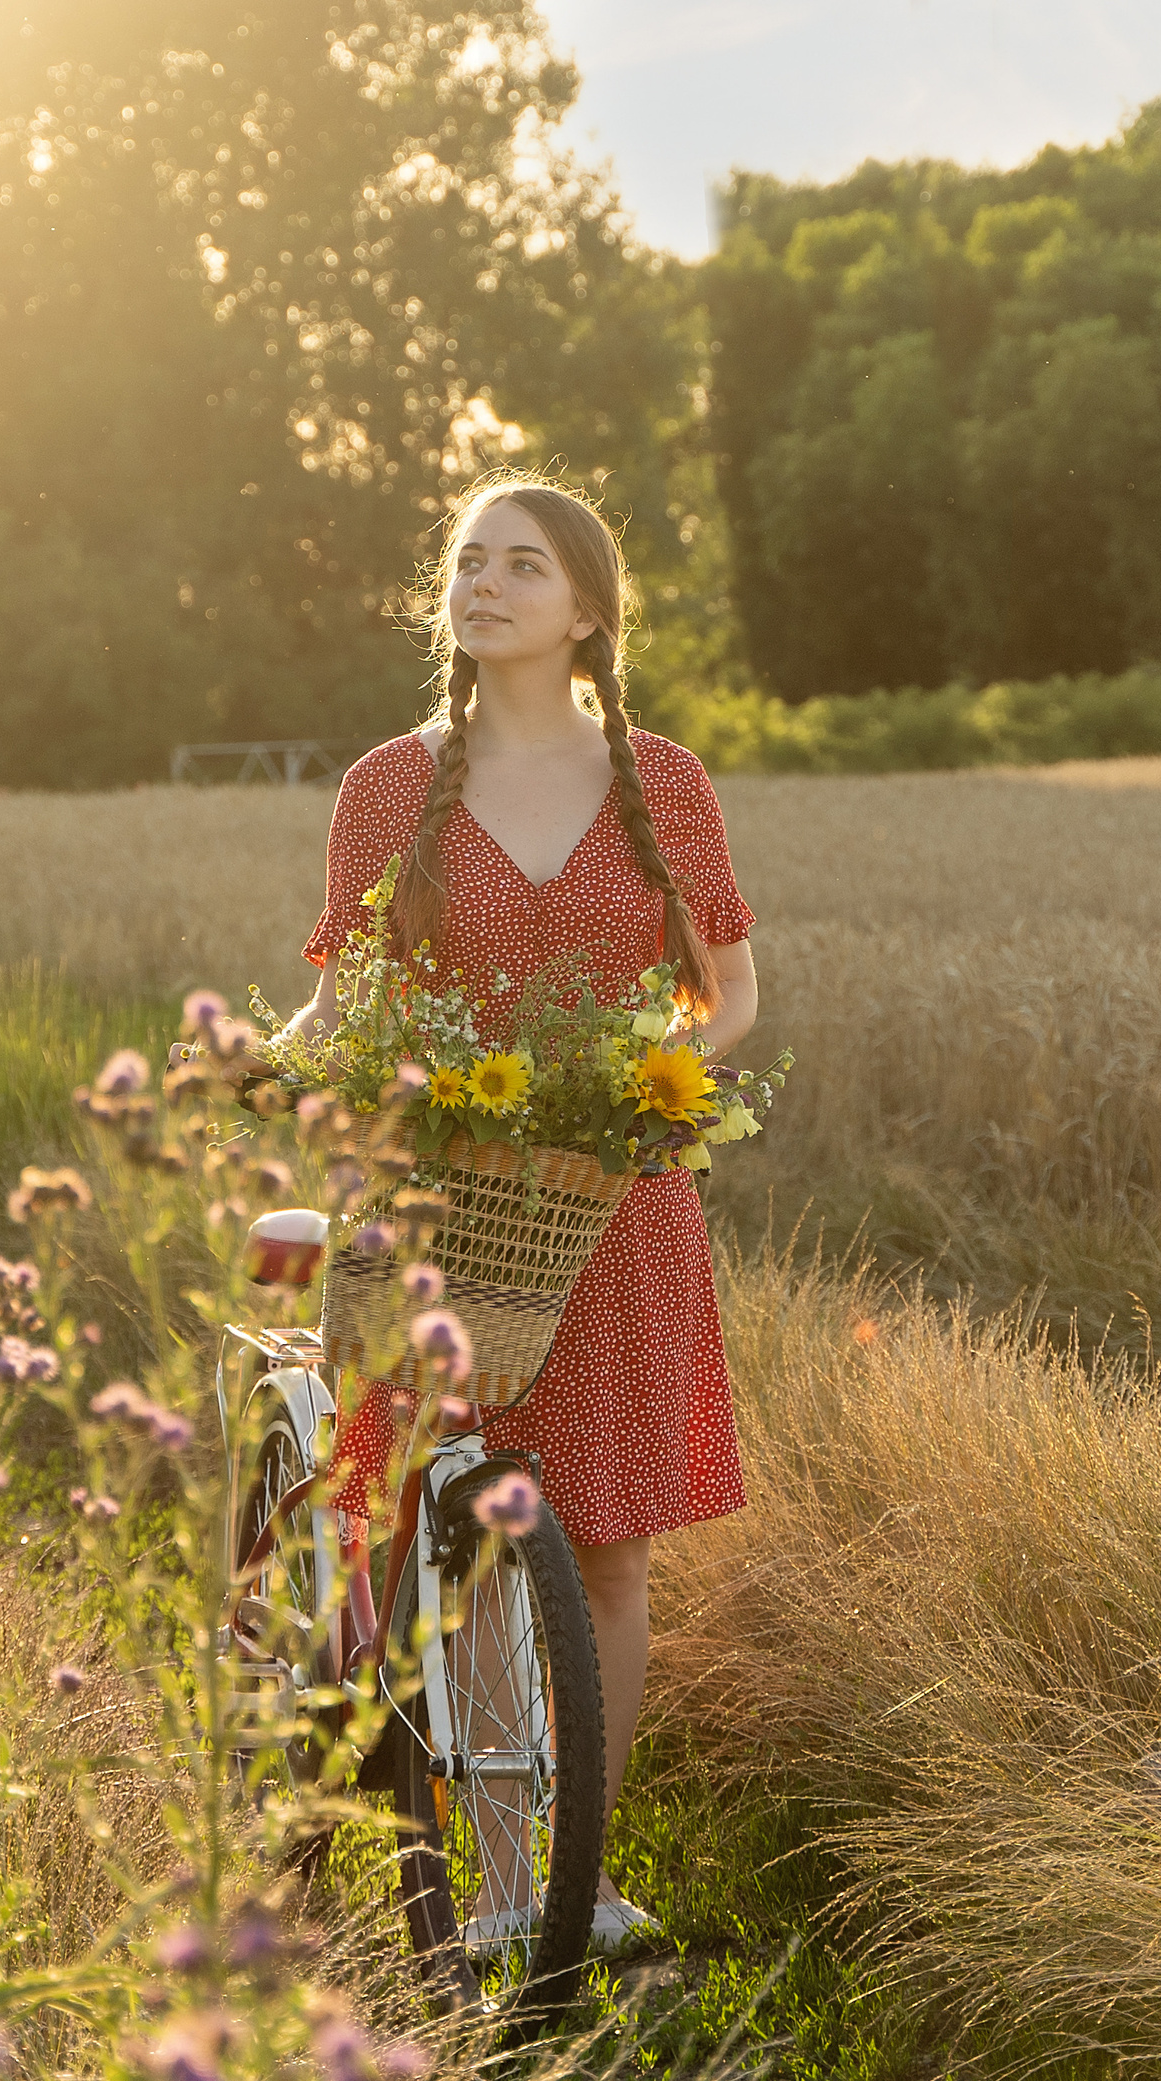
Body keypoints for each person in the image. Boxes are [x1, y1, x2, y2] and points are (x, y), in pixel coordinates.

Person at [276, 474, 760, 1951]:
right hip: (442, 1209)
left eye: (523, 564)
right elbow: (348, 998)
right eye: (469, 563)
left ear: (589, 612)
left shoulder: (663, 783)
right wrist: (275, 1069)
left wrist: (650, 1084)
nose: (484, 584)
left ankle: (583, 1883)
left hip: (617, 1206)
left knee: (609, 1549)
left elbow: (730, 995)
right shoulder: (384, 787)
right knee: (468, 1537)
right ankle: (501, 1890)